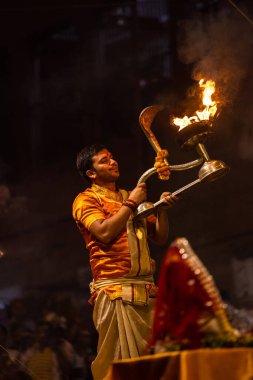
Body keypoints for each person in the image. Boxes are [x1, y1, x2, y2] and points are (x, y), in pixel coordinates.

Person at [72, 143, 177, 380]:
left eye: (112, 157)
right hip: (115, 292)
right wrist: (131, 204)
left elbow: (159, 237)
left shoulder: (128, 196)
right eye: (104, 160)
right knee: (120, 367)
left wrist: (161, 210)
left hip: (147, 291)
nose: (113, 162)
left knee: (156, 364)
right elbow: (104, 232)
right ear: (91, 173)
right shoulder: (85, 200)